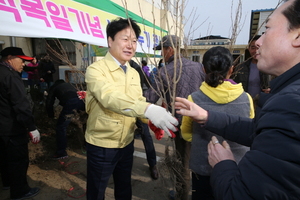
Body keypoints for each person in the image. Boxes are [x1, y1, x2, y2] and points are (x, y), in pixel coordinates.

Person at [175, 0, 300, 198]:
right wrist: (207, 116)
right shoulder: (256, 97)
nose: (258, 42)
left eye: (267, 29)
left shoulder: (291, 104)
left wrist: (223, 164)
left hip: (216, 172)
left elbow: (244, 194)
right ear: (231, 70)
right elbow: (255, 129)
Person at [84, 18, 178, 200]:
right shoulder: (96, 70)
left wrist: (151, 121)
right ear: (110, 41)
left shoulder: (134, 73)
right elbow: (110, 98)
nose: (131, 45)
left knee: (124, 188)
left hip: (126, 142)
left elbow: (137, 101)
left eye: (134, 41)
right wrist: (148, 109)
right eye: (125, 39)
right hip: (102, 144)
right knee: (96, 192)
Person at [180, 46, 254, 200]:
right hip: (237, 166)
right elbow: (250, 131)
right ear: (231, 69)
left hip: (203, 166)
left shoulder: (194, 99)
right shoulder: (246, 98)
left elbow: (186, 134)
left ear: (203, 69)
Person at [144, 34, 205, 198]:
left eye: (162, 50)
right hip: (200, 120)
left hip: (179, 122)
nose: (161, 54)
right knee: (199, 160)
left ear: (170, 49)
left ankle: (182, 195)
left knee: (183, 163)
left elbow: (150, 98)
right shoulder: (198, 67)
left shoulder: (164, 71)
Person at [0, 47, 41, 199]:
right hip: (12, 128)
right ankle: (20, 191)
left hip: (2, 127)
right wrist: (31, 127)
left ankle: (7, 182)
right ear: (9, 58)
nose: (24, 64)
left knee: (4, 158)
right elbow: (21, 104)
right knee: (18, 160)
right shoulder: (11, 76)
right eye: (21, 60)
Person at [129, 59, 158, 180]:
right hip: (122, 107)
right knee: (126, 135)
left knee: (146, 134)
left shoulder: (135, 67)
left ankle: (153, 165)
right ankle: (124, 166)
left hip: (138, 105)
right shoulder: (112, 67)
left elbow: (146, 88)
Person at [46, 79, 85, 159]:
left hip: (71, 103)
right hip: (83, 101)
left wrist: (50, 116)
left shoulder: (54, 87)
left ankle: (61, 152)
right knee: (85, 123)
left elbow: (49, 102)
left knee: (61, 127)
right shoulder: (70, 84)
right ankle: (87, 146)